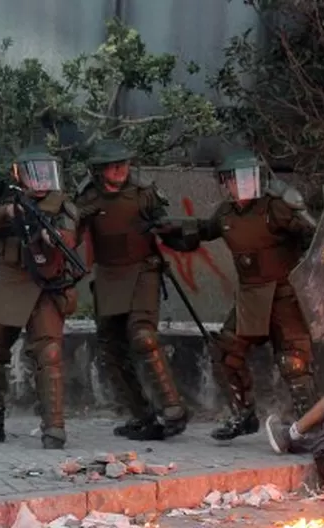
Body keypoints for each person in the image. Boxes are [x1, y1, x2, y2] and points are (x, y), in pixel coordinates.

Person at [157, 150, 319, 441]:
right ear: (226, 182)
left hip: (285, 296)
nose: (242, 185)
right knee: (226, 352)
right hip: (250, 299)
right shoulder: (226, 214)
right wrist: (168, 229)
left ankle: (310, 427)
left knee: (294, 362)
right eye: (236, 180)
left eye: (248, 178)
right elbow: (202, 231)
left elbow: (314, 235)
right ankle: (243, 415)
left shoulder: (277, 207)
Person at [0, 146, 83, 449]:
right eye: (34, 174)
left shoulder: (62, 205)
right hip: (11, 282)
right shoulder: (8, 199)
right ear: (21, 175)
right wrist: (9, 212)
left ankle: (54, 428)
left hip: (46, 285)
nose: (41, 181)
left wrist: (49, 237)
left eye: (46, 174)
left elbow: (69, 235)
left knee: (48, 355)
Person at [74, 139, 193, 441]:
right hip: (108, 275)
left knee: (143, 335)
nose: (120, 170)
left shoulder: (144, 193)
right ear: (99, 170)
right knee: (111, 348)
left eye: (124, 164)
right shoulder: (86, 199)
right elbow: (69, 237)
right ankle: (141, 416)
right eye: (113, 165)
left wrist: (177, 233)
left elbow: (170, 231)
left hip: (143, 269)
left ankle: (174, 408)